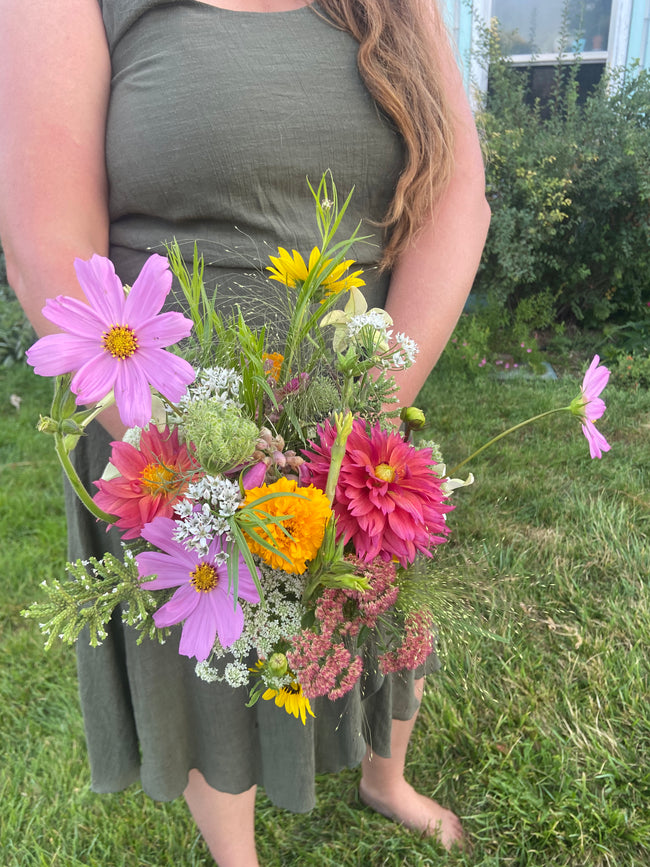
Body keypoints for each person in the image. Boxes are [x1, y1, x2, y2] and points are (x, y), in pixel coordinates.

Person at [0, 0, 490, 863]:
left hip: (359, 399)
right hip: (161, 418)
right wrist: (197, 476)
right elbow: (47, 235)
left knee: (378, 610)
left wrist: (358, 429)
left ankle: (386, 777)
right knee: (208, 637)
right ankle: (238, 853)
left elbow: (457, 200)